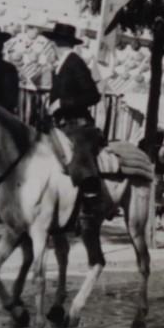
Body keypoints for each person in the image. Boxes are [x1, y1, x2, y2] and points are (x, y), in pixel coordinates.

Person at [42, 21, 106, 261]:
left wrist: (63, 103)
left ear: (57, 43)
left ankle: (90, 200)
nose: (53, 46)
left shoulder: (75, 62)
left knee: (79, 154)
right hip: (59, 125)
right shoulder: (58, 66)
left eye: (54, 42)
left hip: (79, 125)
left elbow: (93, 95)